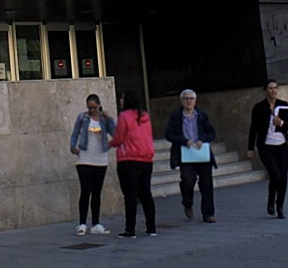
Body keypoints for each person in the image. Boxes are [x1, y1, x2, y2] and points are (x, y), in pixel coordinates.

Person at [108, 91, 156, 238]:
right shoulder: (145, 116)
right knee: (146, 194)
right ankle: (151, 227)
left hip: (128, 159)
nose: (120, 100)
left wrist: (109, 143)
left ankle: (130, 229)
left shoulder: (124, 116)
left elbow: (118, 138)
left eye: (122, 98)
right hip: (146, 159)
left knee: (130, 196)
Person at [165, 89, 218, 223]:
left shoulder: (202, 116)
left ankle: (208, 213)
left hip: (202, 154)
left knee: (206, 183)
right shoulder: (176, 117)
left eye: (191, 99)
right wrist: (184, 141)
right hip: (185, 154)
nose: (188, 101)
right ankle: (187, 202)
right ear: (181, 101)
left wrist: (202, 139)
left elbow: (211, 133)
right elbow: (169, 134)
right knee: (188, 181)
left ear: (195, 101)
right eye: (186, 99)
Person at [69, 93, 116, 236]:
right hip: (84, 157)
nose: (92, 110)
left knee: (97, 191)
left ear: (99, 106)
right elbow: (75, 134)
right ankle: (82, 223)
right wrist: (73, 147)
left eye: (94, 108)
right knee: (85, 190)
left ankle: (96, 222)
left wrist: (109, 119)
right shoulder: (82, 118)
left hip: (100, 158)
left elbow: (115, 133)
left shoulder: (104, 119)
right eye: (89, 108)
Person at [247, 80, 288, 218]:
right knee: (275, 175)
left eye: (275, 88)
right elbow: (253, 128)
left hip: (282, 145)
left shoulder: (284, 105)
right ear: (265, 91)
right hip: (266, 147)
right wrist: (250, 147)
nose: (273, 91)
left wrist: (281, 123)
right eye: (270, 88)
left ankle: (280, 205)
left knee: (283, 177)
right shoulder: (259, 107)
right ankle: (271, 199)